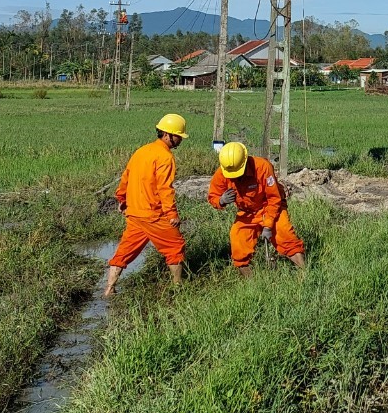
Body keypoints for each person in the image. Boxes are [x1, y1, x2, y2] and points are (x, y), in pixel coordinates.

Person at [103, 113, 189, 297]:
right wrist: (172, 214)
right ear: (167, 134)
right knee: (175, 246)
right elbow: (165, 189)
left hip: (134, 213)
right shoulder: (165, 157)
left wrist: (122, 198)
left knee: (124, 252)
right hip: (153, 215)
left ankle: (109, 289)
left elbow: (126, 176)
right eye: (178, 136)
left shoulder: (141, 151)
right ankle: (178, 288)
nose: (180, 139)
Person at [208, 141, 306, 276]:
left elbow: (274, 198)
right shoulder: (223, 172)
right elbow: (213, 196)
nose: (235, 177)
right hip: (247, 213)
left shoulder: (263, 167)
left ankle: (305, 274)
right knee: (238, 241)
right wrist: (221, 200)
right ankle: (252, 283)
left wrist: (267, 226)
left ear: (245, 161)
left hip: (270, 207)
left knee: (285, 235)